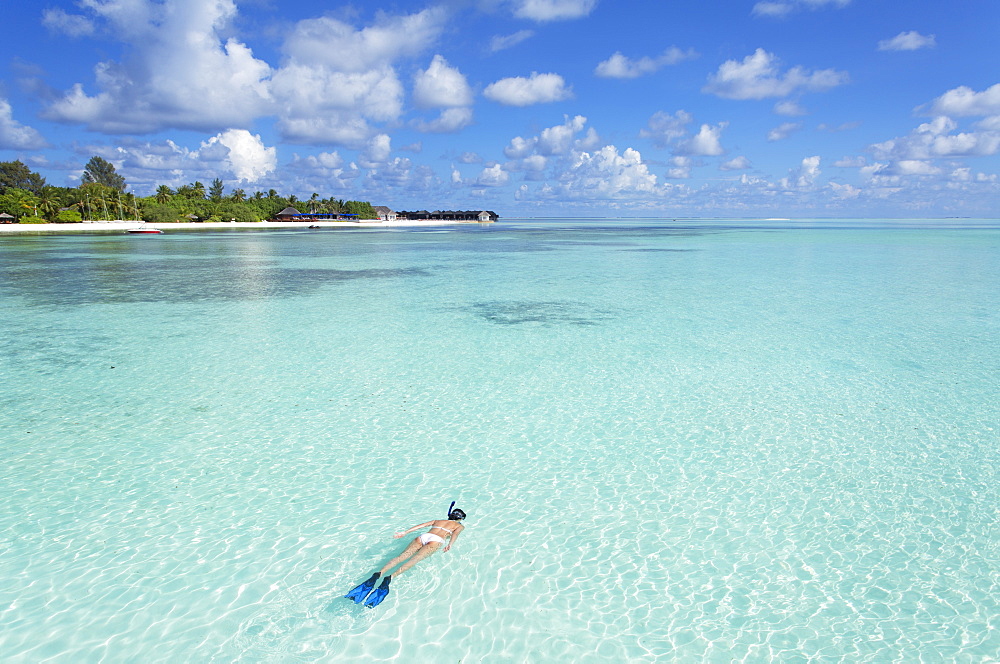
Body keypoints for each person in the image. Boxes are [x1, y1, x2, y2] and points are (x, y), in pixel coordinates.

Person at [344, 501, 467, 608]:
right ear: (460, 519)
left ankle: (379, 573)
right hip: (436, 540)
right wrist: (450, 544)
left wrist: (405, 532)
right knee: (414, 560)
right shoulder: (459, 526)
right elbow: (455, 534)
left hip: (424, 536)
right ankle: (390, 577)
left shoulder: (438, 520)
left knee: (401, 557)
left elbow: (421, 526)